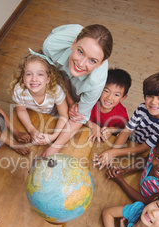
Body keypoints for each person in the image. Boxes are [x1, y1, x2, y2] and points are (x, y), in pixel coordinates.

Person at [41, 24, 113, 156]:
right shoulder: (51, 46)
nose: (81, 63)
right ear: (74, 43)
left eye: (92, 60)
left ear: (100, 64)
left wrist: (54, 147)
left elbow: (78, 118)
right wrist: (69, 101)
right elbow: (52, 74)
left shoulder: (96, 82)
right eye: (80, 51)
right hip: (54, 69)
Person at [94, 72, 159, 169]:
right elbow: (127, 131)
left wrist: (113, 152)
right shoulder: (143, 108)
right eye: (150, 96)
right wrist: (113, 153)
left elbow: (143, 148)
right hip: (131, 142)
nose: (153, 102)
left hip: (147, 153)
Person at [9, 49, 68, 145]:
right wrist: (31, 130)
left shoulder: (55, 91)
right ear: (23, 77)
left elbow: (64, 115)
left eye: (40, 74)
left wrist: (53, 136)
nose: (34, 79)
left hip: (53, 119)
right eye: (29, 74)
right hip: (32, 117)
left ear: (48, 79)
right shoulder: (19, 90)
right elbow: (21, 110)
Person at [87, 68, 131, 143]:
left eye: (116, 95)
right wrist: (93, 126)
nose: (109, 98)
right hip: (86, 134)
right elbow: (79, 116)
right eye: (106, 91)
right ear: (100, 88)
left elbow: (124, 129)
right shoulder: (91, 100)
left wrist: (112, 130)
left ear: (123, 97)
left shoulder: (121, 113)